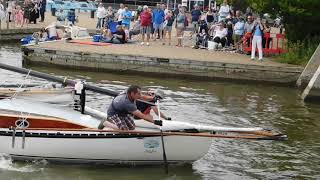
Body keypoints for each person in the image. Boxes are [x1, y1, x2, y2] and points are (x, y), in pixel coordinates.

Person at [98, 85, 163, 130]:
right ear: (132, 94)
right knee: (124, 130)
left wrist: (153, 98)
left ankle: (116, 123)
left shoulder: (129, 92)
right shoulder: (128, 103)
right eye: (138, 94)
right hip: (114, 114)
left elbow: (142, 96)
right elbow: (141, 116)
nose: (140, 95)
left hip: (123, 112)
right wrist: (155, 122)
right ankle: (105, 123)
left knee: (132, 127)